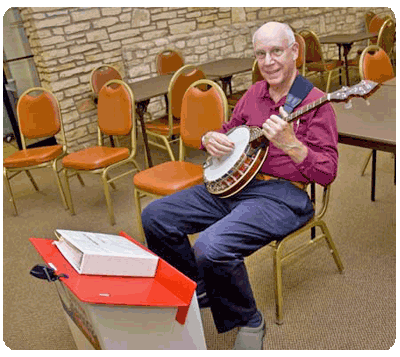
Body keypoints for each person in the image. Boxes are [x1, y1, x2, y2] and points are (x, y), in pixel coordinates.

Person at [141, 21, 338, 350]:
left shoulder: (317, 103)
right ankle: (201, 287)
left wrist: (291, 144)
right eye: (261, 54)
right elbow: (231, 129)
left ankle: (248, 319)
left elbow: (328, 172)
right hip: (235, 183)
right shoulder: (253, 94)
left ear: (294, 52)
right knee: (156, 215)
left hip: (282, 196)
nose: (269, 61)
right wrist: (210, 138)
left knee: (211, 247)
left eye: (276, 51)